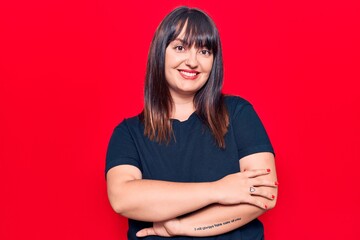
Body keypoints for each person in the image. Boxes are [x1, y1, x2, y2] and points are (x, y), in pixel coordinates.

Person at [105, 6, 278, 240]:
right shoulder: (128, 133)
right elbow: (124, 198)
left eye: (205, 51)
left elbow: (264, 195)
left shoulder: (238, 113)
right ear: (160, 54)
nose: (193, 61)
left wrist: (182, 227)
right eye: (180, 48)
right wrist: (219, 190)